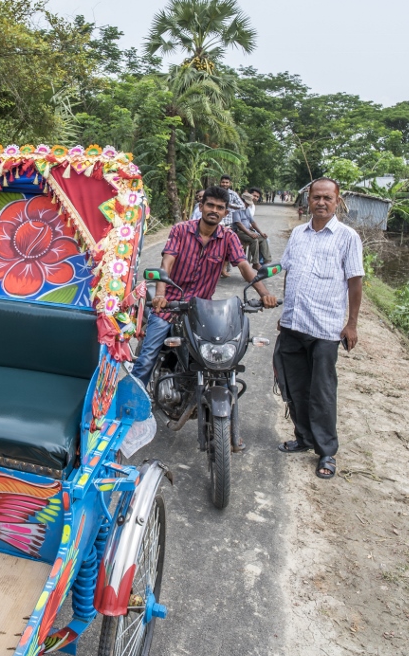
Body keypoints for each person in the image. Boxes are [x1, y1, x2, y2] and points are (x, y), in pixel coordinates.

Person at [132, 187, 278, 450]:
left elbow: (244, 266)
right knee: (147, 358)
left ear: (226, 212)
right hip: (171, 304)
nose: (214, 211)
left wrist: (265, 293)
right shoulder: (181, 230)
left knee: (222, 360)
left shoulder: (229, 238)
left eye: (220, 208)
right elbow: (167, 263)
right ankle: (129, 414)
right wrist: (161, 295)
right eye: (210, 205)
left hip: (200, 308)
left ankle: (228, 425)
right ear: (202, 206)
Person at [273, 177, 363, 480]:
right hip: (293, 324)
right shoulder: (298, 233)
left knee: (321, 392)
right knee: (294, 388)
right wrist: (285, 311)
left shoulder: (348, 237)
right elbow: (290, 273)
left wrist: (351, 324)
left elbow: (355, 282)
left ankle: (326, 452)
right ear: (308, 200)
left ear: (337, 201)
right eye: (316, 197)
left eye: (327, 198)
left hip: (326, 329)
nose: (321, 203)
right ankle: (304, 437)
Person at [231, 189, 271, 267]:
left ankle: (267, 260)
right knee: (254, 239)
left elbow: (253, 222)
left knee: (263, 238)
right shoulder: (236, 209)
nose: (247, 205)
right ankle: (255, 263)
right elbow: (238, 224)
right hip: (239, 232)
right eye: (246, 203)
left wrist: (260, 232)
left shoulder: (247, 209)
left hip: (247, 230)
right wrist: (250, 234)